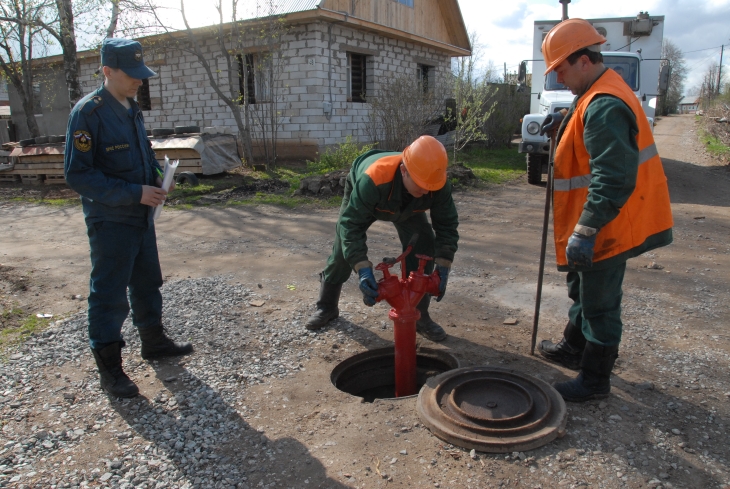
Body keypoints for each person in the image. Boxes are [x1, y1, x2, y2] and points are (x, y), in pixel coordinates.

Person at [537, 19, 673, 402]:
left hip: (606, 223)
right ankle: (573, 347)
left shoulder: (605, 104)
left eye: (560, 69)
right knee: (582, 287)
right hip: (599, 220)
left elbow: (613, 177)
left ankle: (595, 380)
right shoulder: (597, 90)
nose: (559, 78)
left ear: (582, 60)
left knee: (600, 301)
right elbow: (590, 133)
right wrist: (565, 123)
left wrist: (586, 229)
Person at [64, 38, 193, 398]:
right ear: (108, 71)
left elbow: (142, 155)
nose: (140, 80)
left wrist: (157, 177)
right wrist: (134, 193)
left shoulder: (131, 107)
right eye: (132, 74)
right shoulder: (87, 114)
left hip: (141, 218)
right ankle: (110, 371)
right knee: (109, 294)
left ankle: (153, 342)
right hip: (111, 221)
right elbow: (78, 175)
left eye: (141, 74)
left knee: (147, 281)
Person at [304, 136, 459, 342]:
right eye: (421, 184)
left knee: (423, 243)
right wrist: (362, 268)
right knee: (343, 249)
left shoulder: (435, 183)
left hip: (408, 207)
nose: (426, 190)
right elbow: (351, 226)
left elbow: (446, 224)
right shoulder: (373, 180)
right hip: (373, 193)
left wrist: (443, 265)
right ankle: (327, 306)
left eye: (431, 186)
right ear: (404, 170)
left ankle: (419, 315)